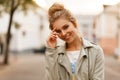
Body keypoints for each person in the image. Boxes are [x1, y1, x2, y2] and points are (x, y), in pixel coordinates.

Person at [45, 3, 104, 80]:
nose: (63, 33)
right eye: (58, 31)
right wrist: (51, 50)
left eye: (66, 27)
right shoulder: (55, 53)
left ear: (74, 23)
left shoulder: (95, 51)